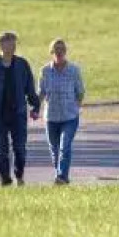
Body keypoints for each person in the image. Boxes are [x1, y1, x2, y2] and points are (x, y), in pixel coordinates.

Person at [0, 31, 39, 186]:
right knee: (2, 149)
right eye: (8, 42)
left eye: (13, 42)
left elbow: (29, 88)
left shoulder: (22, 65)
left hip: (18, 113)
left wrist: (35, 105)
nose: (12, 46)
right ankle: (5, 179)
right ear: (0, 45)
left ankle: (19, 175)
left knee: (19, 148)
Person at [38, 38, 86, 185]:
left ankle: (62, 177)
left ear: (65, 52)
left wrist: (75, 106)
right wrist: (35, 108)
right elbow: (41, 92)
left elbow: (80, 92)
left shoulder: (73, 70)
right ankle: (59, 174)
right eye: (56, 50)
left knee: (65, 146)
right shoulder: (45, 71)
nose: (59, 53)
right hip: (51, 116)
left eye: (62, 50)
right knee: (54, 149)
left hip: (69, 116)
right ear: (52, 52)